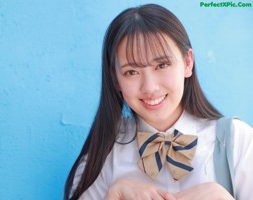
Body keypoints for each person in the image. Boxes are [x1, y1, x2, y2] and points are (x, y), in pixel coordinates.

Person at [64, 4, 253, 200]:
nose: (150, 87)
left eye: (162, 65)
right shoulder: (103, 155)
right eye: (132, 72)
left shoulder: (236, 140)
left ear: (188, 63)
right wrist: (114, 193)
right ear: (115, 78)